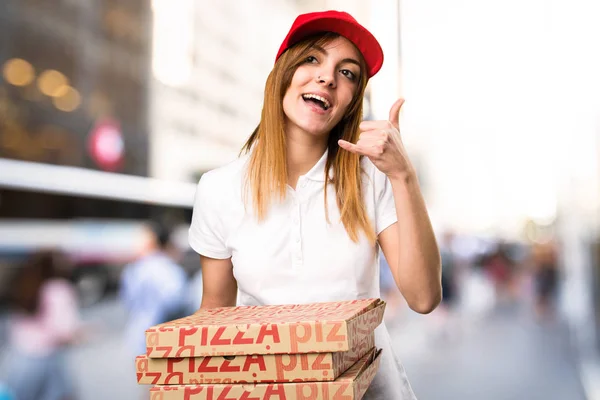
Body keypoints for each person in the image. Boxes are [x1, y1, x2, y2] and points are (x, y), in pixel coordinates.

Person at [188, 11, 442, 399]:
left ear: (351, 101)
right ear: (283, 74)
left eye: (348, 73)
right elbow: (216, 317)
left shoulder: (372, 178)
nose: (327, 77)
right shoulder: (218, 189)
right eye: (312, 59)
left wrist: (403, 175)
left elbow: (423, 298)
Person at [2, 250, 82, 400]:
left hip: (20, 359)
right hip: (47, 359)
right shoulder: (58, 289)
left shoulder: (24, 283)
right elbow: (65, 331)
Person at [120, 222, 188, 357]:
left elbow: (127, 300)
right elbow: (177, 303)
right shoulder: (170, 269)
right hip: (163, 342)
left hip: (137, 337)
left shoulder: (133, 268)